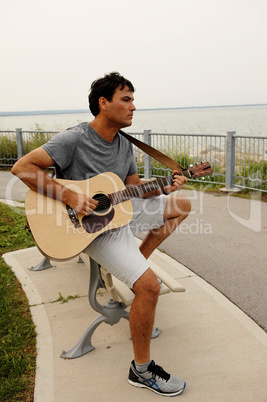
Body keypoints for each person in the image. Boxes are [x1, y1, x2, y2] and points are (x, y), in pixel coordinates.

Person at [12, 72, 191, 397]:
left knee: (181, 204)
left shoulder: (125, 145)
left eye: (133, 99)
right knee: (149, 287)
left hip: (116, 212)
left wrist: (165, 185)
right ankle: (141, 370)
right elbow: (22, 167)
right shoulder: (74, 139)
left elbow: (133, 189)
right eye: (126, 99)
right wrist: (70, 197)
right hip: (87, 227)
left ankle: (137, 261)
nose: (133, 106)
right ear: (103, 103)